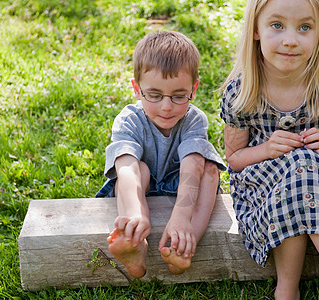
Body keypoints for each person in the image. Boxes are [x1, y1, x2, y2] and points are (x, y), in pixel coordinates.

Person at [219, 0, 319, 299]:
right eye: (277, 25)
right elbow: (235, 160)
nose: (290, 40)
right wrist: (267, 149)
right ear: (256, 29)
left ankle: (287, 292)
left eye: (304, 27)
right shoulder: (242, 91)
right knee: (300, 165)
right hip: (260, 193)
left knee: (304, 162)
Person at [96, 31, 226, 278]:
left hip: (180, 187)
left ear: (193, 89)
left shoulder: (193, 119)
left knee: (209, 170)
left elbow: (193, 165)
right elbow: (126, 168)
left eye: (179, 96)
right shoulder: (129, 119)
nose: (167, 107)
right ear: (137, 89)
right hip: (139, 187)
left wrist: (180, 216)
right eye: (155, 95)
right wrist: (135, 211)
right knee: (138, 169)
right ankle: (136, 242)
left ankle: (184, 244)